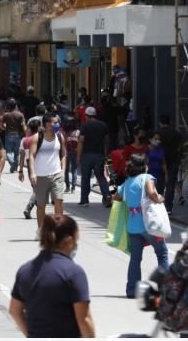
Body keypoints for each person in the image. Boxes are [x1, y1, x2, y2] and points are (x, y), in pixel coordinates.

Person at [9, 214, 95, 338]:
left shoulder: (25, 270)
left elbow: (14, 310)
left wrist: (31, 334)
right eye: (76, 239)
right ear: (69, 241)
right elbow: (84, 319)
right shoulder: (73, 273)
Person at [113, 154, 169, 298]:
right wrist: (160, 198)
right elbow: (151, 192)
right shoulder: (147, 178)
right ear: (144, 166)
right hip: (149, 226)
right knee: (162, 254)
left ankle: (132, 290)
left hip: (133, 227)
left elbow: (116, 197)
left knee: (135, 259)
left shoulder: (127, 182)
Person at [29, 113, 66, 239]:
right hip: (41, 176)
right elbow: (31, 156)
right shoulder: (36, 138)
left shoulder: (60, 137)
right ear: (46, 124)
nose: (57, 124)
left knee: (59, 201)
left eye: (57, 122)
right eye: (54, 122)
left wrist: (63, 171)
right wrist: (32, 172)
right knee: (41, 205)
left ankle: (58, 230)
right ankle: (40, 230)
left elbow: (63, 155)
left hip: (56, 174)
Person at [77, 107, 112, 207]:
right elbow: (107, 141)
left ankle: (84, 200)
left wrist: (78, 157)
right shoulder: (103, 125)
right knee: (100, 176)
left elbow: (81, 141)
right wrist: (106, 153)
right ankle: (107, 194)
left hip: (87, 155)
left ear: (87, 115)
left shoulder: (85, 126)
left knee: (85, 178)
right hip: (99, 155)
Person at [158, 114, 184, 213]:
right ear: (169, 122)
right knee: (171, 184)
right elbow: (181, 147)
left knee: (159, 182)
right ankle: (168, 206)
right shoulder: (176, 133)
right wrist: (179, 158)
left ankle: (158, 204)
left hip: (160, 160)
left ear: (160, 122)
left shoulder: (157, 133)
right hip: (173, 160)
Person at [19, 119, 41, 220]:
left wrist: (20, 170)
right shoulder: (39, 139)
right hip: (39, 164)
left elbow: (22, 156)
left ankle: (40, 209)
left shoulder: (24, 140)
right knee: (38, 189)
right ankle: (29, 207)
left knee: (36, 189)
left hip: (29, 165)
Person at [1, 98, 26, 173]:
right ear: (15, 105)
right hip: (18, 135)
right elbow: (23, 125)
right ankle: (14, 167)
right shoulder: (20, 115)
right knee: (16, 153)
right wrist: (25, 134)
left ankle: (12, 163)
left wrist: (5, 128)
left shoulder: (5, 115)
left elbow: (1, 125)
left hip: (8, 135)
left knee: (8, 152)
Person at [64, 117, 80, 194]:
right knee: (74, 169)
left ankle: (67, 187)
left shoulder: (65, 132)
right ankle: (73, 188)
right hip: (75, 152)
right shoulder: (78, 132)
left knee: (66, 170)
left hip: (67, 152)